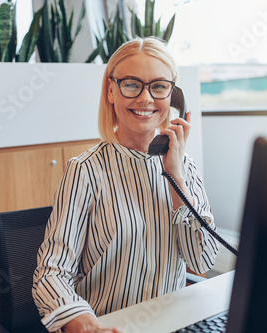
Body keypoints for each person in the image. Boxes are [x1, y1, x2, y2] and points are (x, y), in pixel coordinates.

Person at [32, 37, 220, 333]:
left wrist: (176, 179)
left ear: (174, 95)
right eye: (132, 84)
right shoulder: (86, 170)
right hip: (107, 325)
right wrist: (82, 323)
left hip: (169, 322)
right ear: (110, 90)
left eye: (159, 86)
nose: (146, 99)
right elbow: (51, 273)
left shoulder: (184, 166)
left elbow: (203, 259)